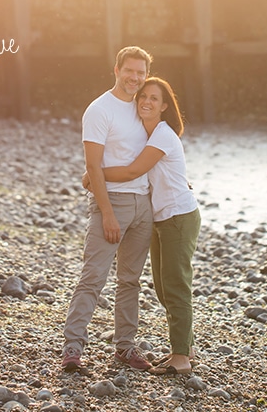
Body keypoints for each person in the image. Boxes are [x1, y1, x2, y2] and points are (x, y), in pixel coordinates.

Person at [96, 77, 200, 376]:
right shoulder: (146, 133)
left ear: (164, 106)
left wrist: (96, 174)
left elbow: (133, 170)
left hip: (179, 218)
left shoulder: (163, 135)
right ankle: (187, 347)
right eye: (143, 96)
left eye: (154, 98)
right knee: (164, 288)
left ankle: (181, 358)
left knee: (176, 287)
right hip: (161, 218)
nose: (147, 101)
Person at [61, 46, 155, 373]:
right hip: (110, 203)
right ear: (116, 70)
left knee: (130, 281)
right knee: (93, 278)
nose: (135, 78)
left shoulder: (144, 108)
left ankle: (125, 348)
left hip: (144, 205)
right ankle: (72, 349)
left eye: (140, 73)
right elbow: (92, 164)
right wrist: (107, 213)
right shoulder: (100, 110)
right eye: (129, 71)